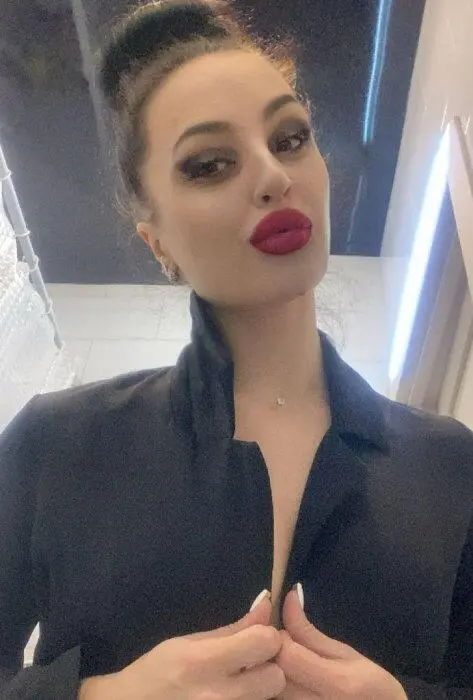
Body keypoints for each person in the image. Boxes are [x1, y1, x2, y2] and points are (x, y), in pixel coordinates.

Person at [0, 0, 472, 698]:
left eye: (290, 138)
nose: (274, 176)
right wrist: (100, 695)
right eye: (210, 164)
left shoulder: (449, 466)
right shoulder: (55, 447)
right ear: (156, 241)